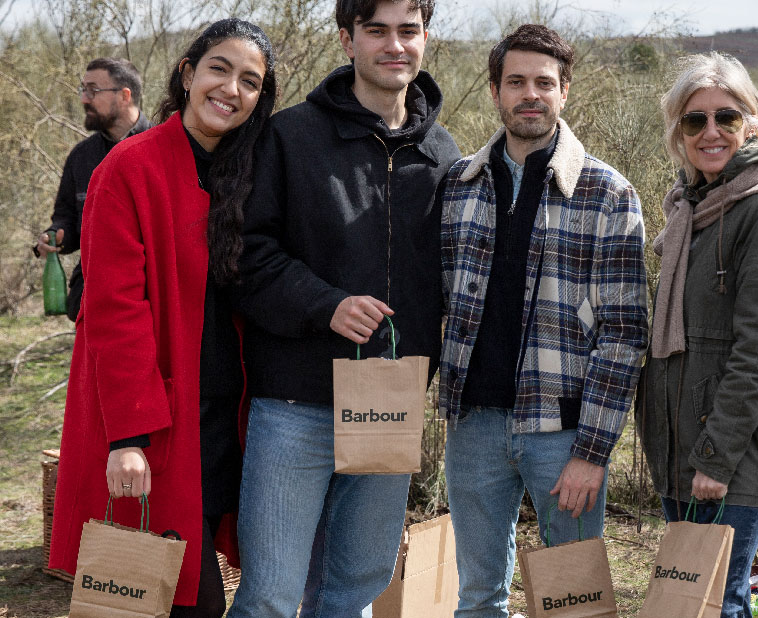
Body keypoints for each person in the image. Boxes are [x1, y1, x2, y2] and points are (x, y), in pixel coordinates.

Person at [226, 0, 460, 616]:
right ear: (346, 40)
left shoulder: (444, 154)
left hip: (391, 403)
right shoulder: (290, 135)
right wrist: (325, 304)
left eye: (408, 31)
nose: (394, 45)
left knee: (354, 593)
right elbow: (244, 258)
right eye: (376, 30)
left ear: (425, 39)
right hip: (295, 407)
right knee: (271, 597)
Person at [48, 19, 277, 617]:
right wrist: (127, 439)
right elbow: (114, 311)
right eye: (219, 69)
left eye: (250, 80)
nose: (231, 88)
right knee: (176, 599)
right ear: (188, 73)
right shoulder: (131, 167)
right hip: (158, 426)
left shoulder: (245, 172)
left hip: (223, 423)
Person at [438, 24, 650, 618]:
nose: (530, 94)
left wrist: (594, 450)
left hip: (562, 434)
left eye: (544, 83)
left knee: (572, 601)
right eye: (516, 82)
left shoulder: (608, 193)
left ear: (564, 92)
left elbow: (625, 333)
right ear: (494, 91)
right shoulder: (459, 186)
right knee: (478, 597)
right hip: (474, 426)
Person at [637, 51, 758, 618]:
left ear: (752, 122)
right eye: (695, 120)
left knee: (718, 605)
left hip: (727, 459)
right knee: (691, 603)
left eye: (726, 117)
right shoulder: (692, 209)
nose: (711, 131)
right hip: (682, 450)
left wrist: (714, 458)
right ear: (678, 132)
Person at [32, 57, 151, 322]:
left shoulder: (163, 150)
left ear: (124, 95)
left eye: (93, 90)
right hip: (92, 302)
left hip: (150, 302)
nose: (84, 99)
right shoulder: (81, 157)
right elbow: (66, 218)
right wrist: (55, 236)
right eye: (83, 90)